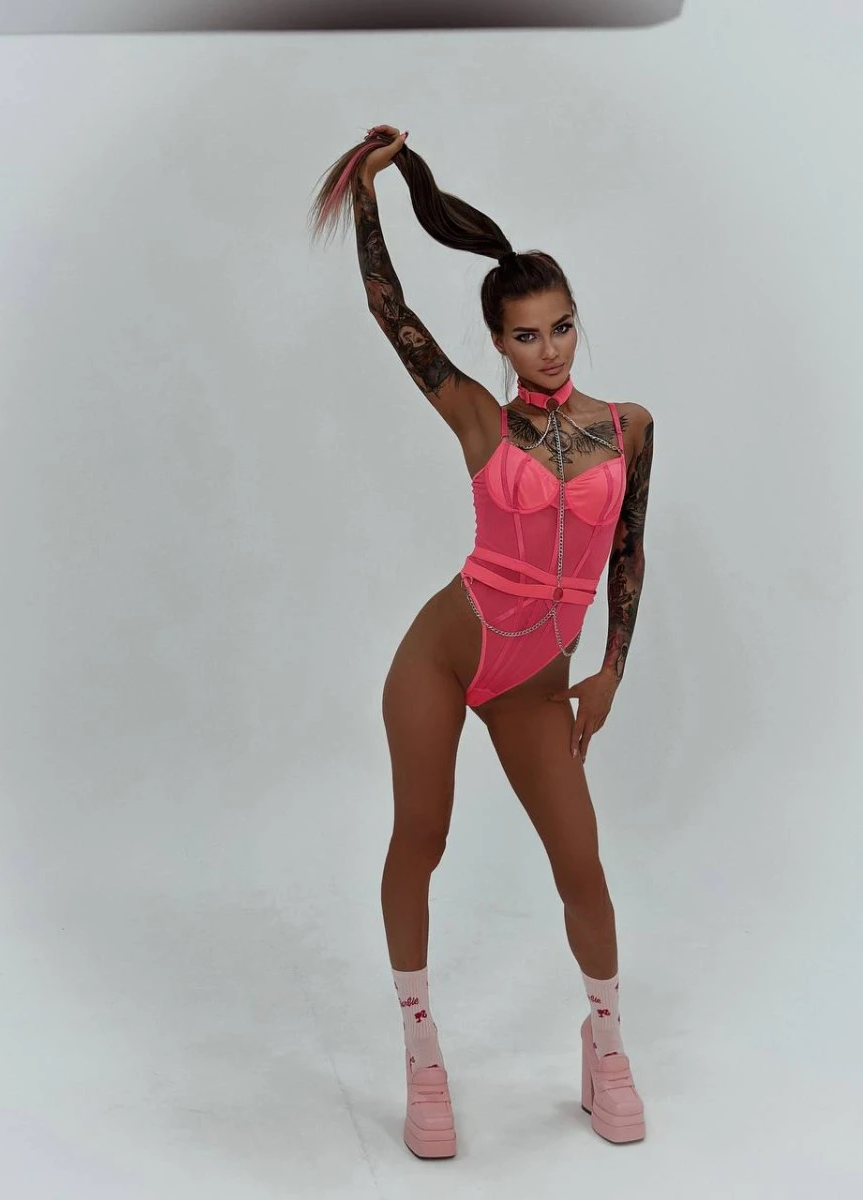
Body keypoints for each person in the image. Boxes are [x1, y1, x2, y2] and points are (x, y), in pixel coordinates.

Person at [309, 125, 654, 1159]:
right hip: (444, 652)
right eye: (527, 336)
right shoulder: (479, 421)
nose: (550, 349)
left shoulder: (629, 428)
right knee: (422, 838)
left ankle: (607, 1047)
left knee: (581, 864)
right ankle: (422, 1054)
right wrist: (370, 194)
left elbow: (630, 549)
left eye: (562, 327)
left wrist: (611, 670)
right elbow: (392, 313)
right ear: (499, 344)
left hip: (536, 681)